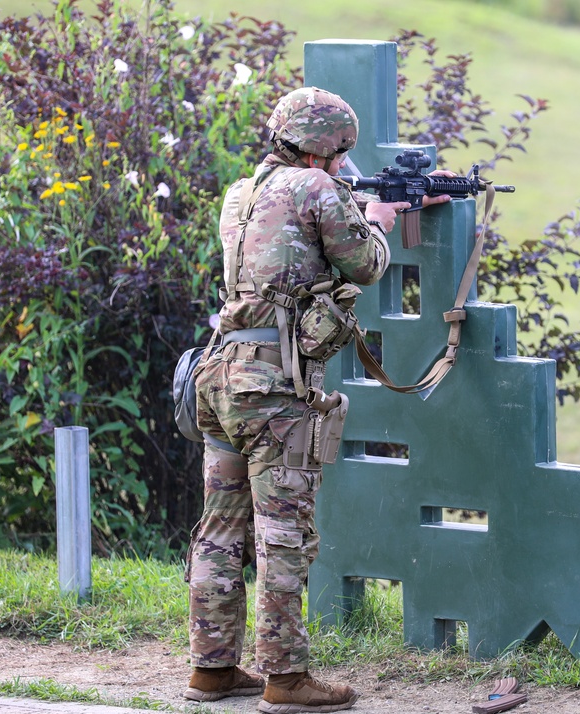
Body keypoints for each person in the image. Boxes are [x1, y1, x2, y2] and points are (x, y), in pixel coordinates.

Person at [183, 86, 451, 713]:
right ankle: (285, 677)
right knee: (284, 533)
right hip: (275, 386)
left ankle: (212, 668)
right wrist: (380, 221)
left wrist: (357, 199)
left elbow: (287, 250)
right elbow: (364, 266)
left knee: (219, 530)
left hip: (221, 374)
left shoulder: (243, 192)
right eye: (341, 153)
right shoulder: (317, 189)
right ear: (329, 147)